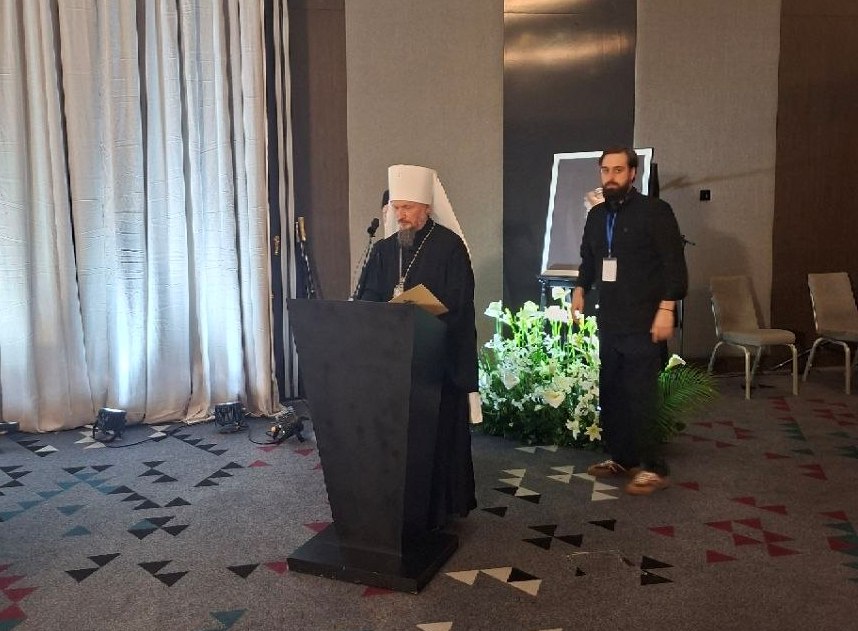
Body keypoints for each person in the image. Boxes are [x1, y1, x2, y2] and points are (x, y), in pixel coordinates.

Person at [358, 164, 478, 529]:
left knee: (436, 437)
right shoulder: (383, 250)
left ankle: (439, 508)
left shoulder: (449, 247)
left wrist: (425, 318)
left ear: (426, 206)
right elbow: (368, 295)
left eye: (408, 207)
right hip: (394, 362)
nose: (401, 215)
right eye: (397, 208)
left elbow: (459, 302)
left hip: (435, 362)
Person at [570, 146, 688, 495]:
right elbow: (589, 258)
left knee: (641, 394)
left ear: (633, 173)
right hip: (611, 320)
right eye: (605, 170)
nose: (611, 177)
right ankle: (622, 457)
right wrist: (580, 287)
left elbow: (674, 265)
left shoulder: (655, 212)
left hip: (644, 320)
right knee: (613, 392)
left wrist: (667, 309)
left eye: (618, 170)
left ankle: (653, 466)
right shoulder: (597, 216)